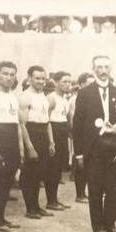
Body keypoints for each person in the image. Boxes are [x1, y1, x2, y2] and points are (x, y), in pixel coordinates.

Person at [72, 55, 116, 232]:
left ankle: (110, 224)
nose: (103, 70)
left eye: (106, 67)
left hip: (114, 147)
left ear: (110, 69)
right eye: (99, 67)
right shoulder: (85, 93)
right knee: (95, 188)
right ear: (93, 69)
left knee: (113, 187)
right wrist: (79, 153)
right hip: (93, 148)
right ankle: (98, 227)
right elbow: (77, 125)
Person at [0, 61, 23, 232]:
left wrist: (20, 149)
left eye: (12, 74)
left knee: (7, 182)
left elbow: (17, 125)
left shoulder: (13, 97)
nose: (9, 77)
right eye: (5, 73)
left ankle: (1, 217)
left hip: (12, 141)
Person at [18, 65, 55, 219]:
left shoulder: (44, 97)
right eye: (37, 78)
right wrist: (29, 146)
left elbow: (48, 121)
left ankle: (37, 206)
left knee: (39, 172)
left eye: (43, 78)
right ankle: (30, 209)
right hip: (31, 134)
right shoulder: (25, 97)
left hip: (43, 134)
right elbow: (22, 124)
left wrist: (51, 142)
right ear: (29, 79)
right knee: (29, 173)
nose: (41, 81)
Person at [45, 71, 72, 211]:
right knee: (52, 168)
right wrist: (51, 141)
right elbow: (46, 120)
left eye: (69, 82)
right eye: (64, 81)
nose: (68, 85)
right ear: (56, 82)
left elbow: (66, 120)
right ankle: (50, 201)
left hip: (62, 132)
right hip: (53, 131)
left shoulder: (65, 99)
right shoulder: (51, 98)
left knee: (58, 169)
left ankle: (54, 199)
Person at [68, 72, 94, 203]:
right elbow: (74, 118)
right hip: (80, 134)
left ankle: (84, 192)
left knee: (87, 164)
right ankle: (79, 194)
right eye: (89, 84)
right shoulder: (76, 98)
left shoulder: (91, 97)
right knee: (80, 163)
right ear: (82, 84)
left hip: (89, 135)